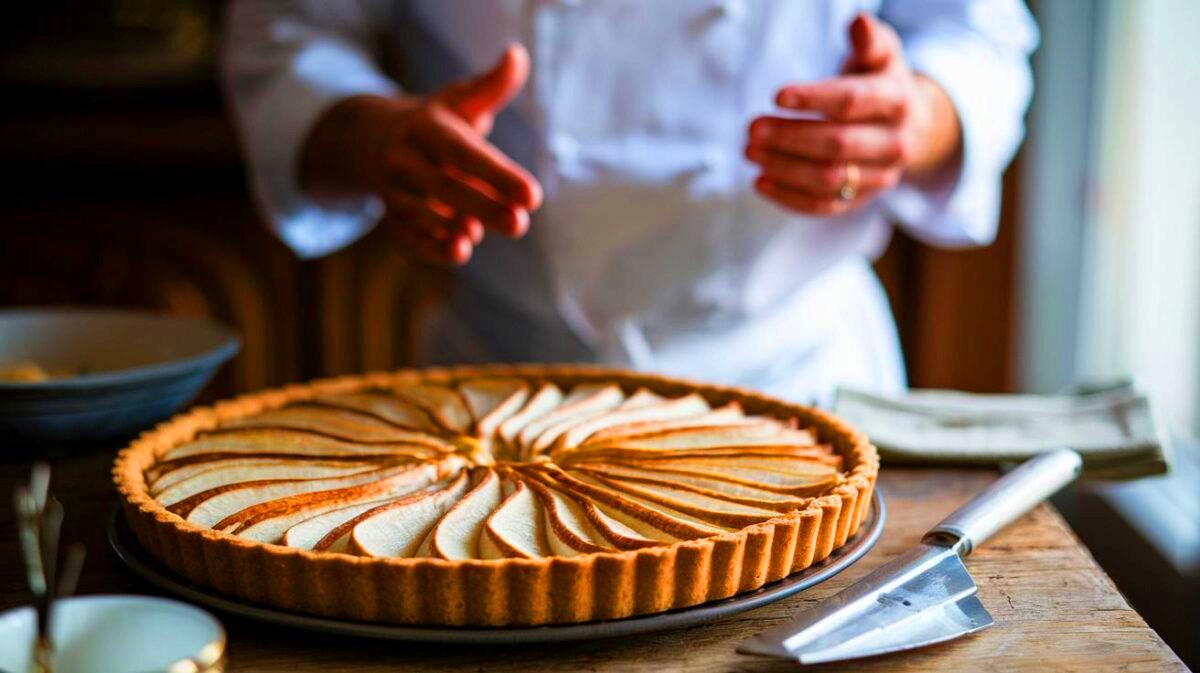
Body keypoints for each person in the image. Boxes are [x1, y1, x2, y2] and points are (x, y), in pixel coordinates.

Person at [223, 1, 1036, 405]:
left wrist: (916, 116)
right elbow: (290, 31)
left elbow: (979, 35)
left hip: (806, 381)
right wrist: (373, 138)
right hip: (502, 378)